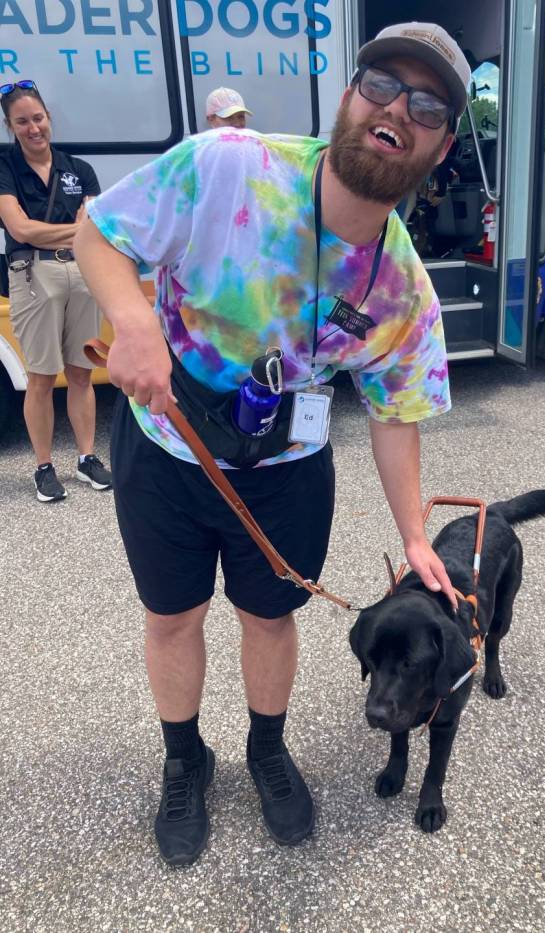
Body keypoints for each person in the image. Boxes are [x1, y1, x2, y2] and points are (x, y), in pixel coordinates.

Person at [74, 21, 470, 866]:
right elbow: (97, 230)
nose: (397, 106)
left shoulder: (403, 289)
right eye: (380, 84)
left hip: (287, 469)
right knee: (173, 615)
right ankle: (186, 759)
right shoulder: (231, 166)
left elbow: (395, 416)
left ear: (437, 150)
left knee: (270, 615)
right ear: (348, 95)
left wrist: (410, 534)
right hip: (167, 441)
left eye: (427, 104)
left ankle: (265, 748)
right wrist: (136, 319)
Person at [0, 81, 112, 502]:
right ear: (11, 127)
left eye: (38, 118)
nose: (34, 128)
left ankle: (86, 459)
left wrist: (67, 233)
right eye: (22, 121)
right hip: (33, 276)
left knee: (82, 373)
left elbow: (97, 228)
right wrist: (74, 229)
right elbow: (19, 229)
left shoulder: (78, 169)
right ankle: (43, 466)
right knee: (41, 378)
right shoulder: (4, 166)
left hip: (81, 274)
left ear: (50, 117)